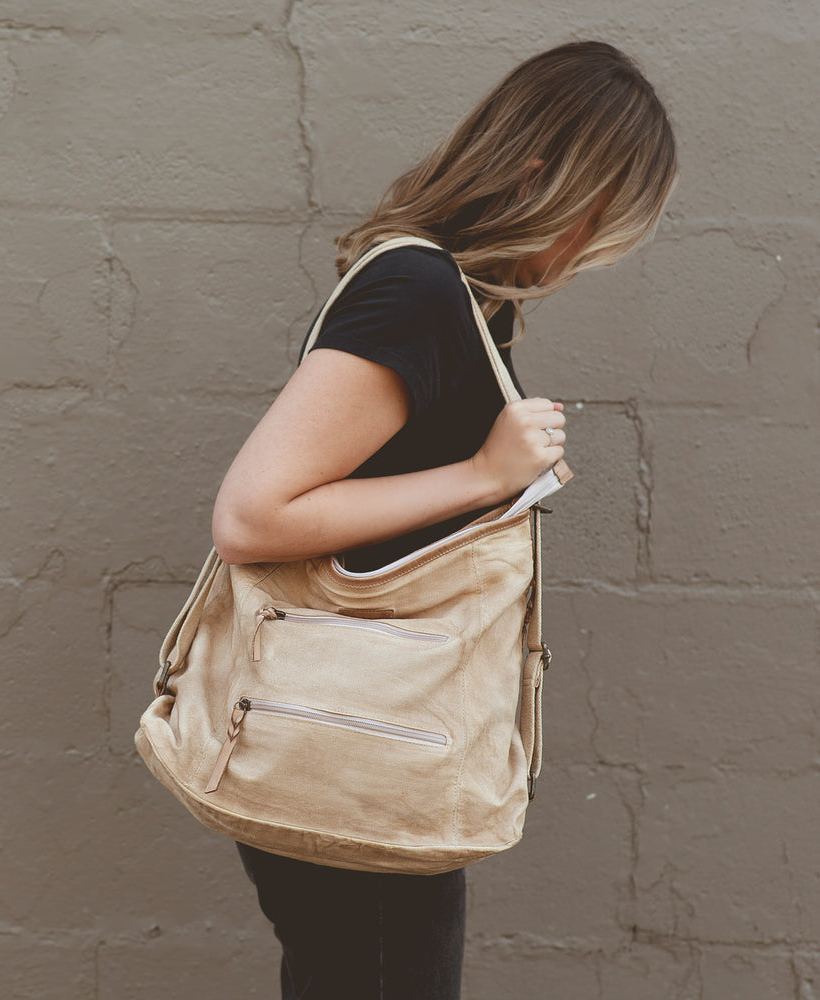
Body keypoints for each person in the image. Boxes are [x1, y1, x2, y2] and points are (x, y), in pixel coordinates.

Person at [211, 39, 677, 1000]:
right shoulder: (417, 293)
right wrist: (479, 473)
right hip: (359, 755)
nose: (585, 256)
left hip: (379, 743)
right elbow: (253, 517)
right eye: (594, 225)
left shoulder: (462, 299)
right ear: (539, 176)